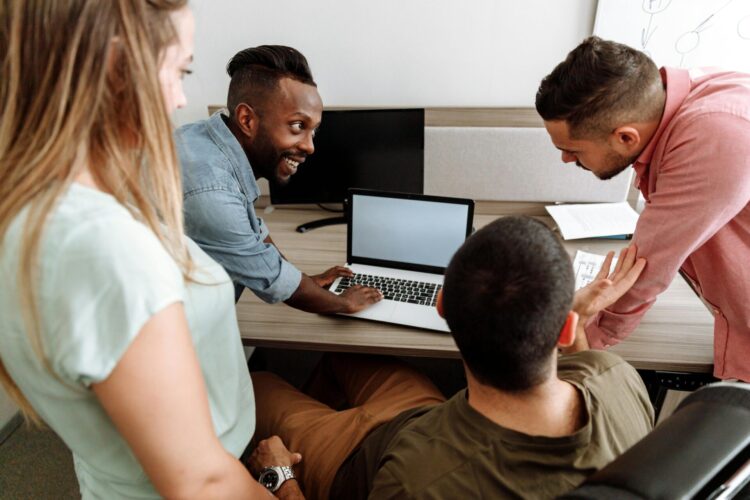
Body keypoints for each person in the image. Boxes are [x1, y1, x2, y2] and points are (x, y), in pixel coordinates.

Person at [0, 2, 303, 498]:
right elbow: (201, 482)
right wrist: (282, 484)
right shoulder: (102, 248)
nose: (181, 99)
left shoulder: (45, 206)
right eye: (179, 70)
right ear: (119, 66)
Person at [251, 216, 654, 499]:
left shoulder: (417, 484)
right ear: (566, 331)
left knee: (260, 384)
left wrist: (280, 475)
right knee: (344, 358)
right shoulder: (616, 376)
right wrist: (576, 317)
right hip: (428, 419)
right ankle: (323, 418)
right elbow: (583, 368)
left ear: (441, 307)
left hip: (359, 464)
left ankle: (310, 447)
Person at [535, 36, 750, 382]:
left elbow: (645, 268)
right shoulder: (678, 99)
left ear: (625, 137)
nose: (565, 158)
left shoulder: (715, 135)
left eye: (573, 150)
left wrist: (580, 347)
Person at [175, 45, 381, 314]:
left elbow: (253, 236)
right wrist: (345, 303)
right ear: (247, 119)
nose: (310, 147)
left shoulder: (205, 138)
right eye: (297, 126)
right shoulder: (213, 191)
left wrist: (302, 279)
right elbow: (275, 283)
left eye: (313, 131)